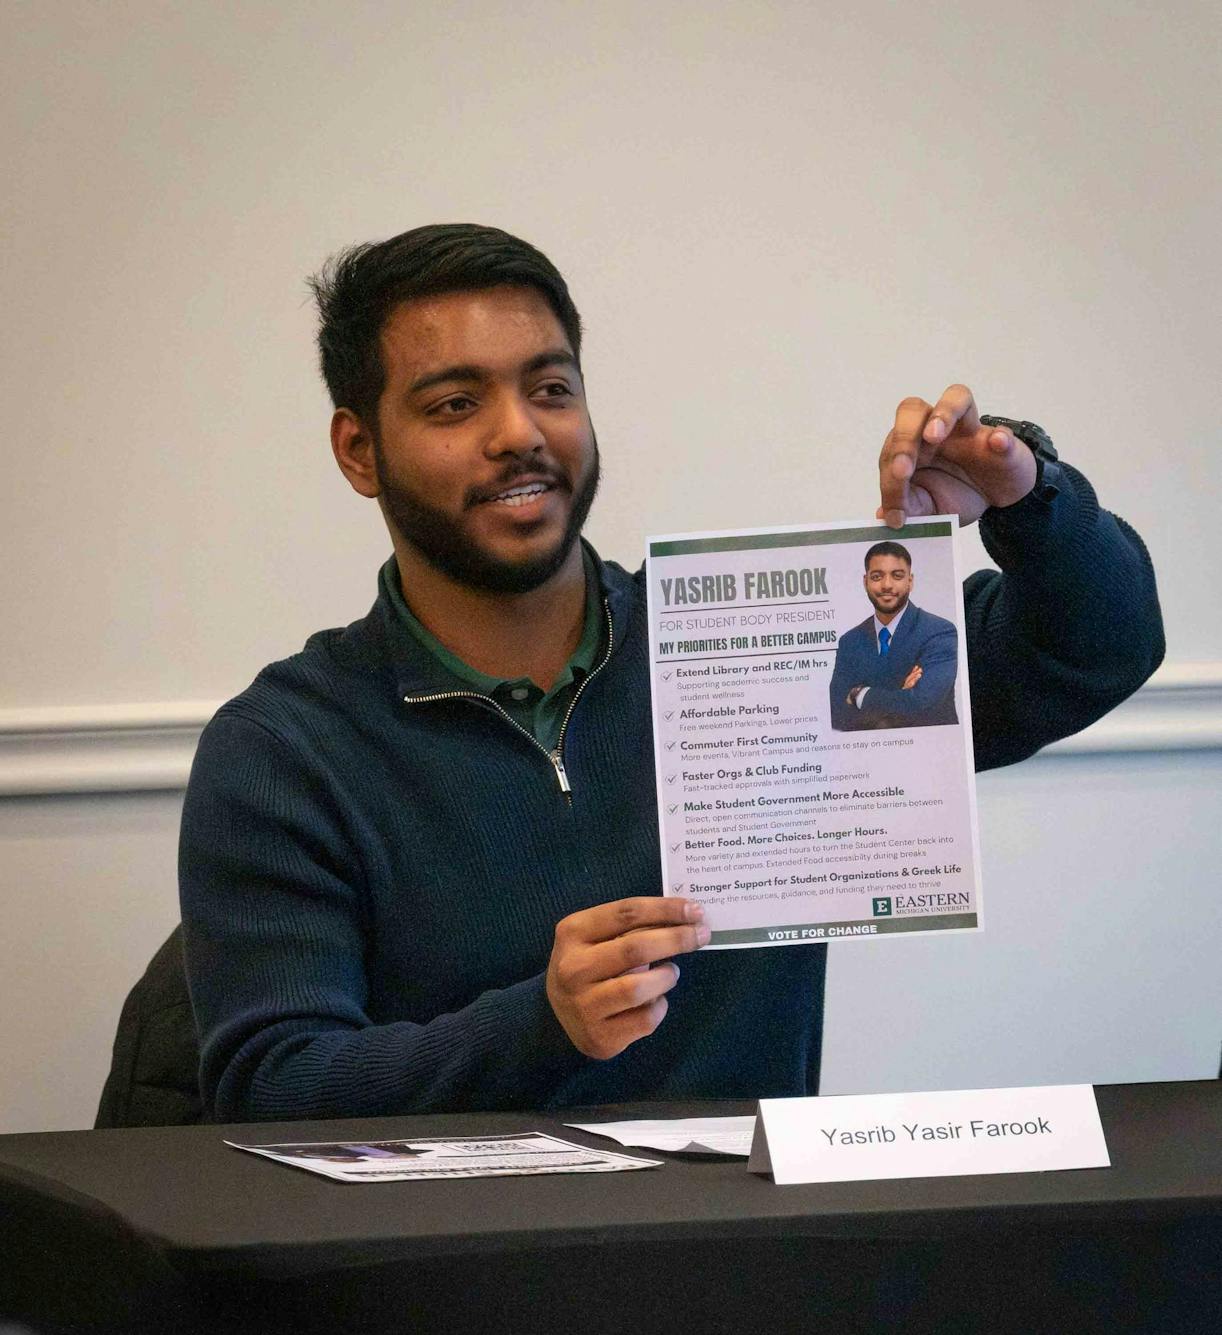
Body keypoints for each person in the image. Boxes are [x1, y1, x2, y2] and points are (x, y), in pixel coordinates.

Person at [179, 223, 1164, 1122]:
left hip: (740, 1262)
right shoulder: (285, 748)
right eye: (454, 403)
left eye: (551, 389)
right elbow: (271, 1089)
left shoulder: (762, 650)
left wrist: (1024, 495)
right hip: (444, 1277)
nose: (519, 431)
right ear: (360, 450)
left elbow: (1095, 650)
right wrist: (540, 1025)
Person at [829, 541, 958, 731]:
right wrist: (901, 695)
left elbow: (922, 703)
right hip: (866, 756)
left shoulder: (939, 632)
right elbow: (837, 714)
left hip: (928, 753)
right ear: (865, 582)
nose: (887, 585)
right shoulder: (850, 641)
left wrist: (859, 694)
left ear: (910, 581)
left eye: (897, 576)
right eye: (877, 576)